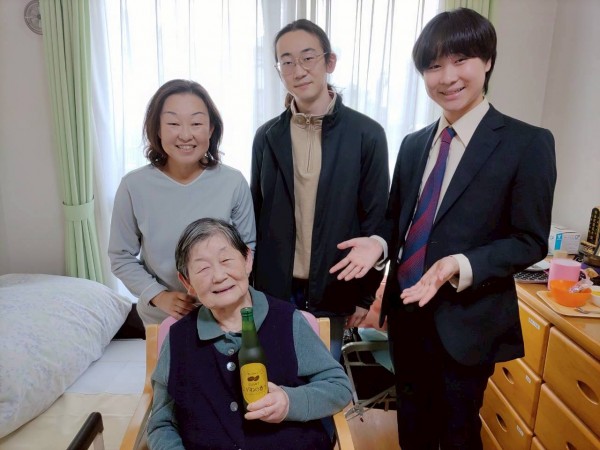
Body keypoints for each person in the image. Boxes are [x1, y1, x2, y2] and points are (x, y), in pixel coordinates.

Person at [334, 8, 557, 449]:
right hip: (407, 315)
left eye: (461, 60)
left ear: (487, 61)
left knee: (457, 433)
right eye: (434, 66)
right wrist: (378, 242)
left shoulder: (526, 143)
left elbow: (530, 240)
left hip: (467, 320)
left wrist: (459, 263)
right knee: (412, 428)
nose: (448, 77)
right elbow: (397, 220)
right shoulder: (414, 143)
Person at [250, 19, 390, 361]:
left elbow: (377, 220)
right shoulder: (267, 136)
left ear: (330, 62)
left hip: (334, 288)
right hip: (275, 290)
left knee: (323, 378)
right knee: (275, 378)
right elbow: (256, 213)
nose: (298, 70)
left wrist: (365, 296)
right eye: (286, 62)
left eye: (308, 57)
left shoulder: (367, 134)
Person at [147, 218, 352, 450]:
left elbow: (339, 387)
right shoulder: (178, 339)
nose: (219, 276)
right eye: (203, 268)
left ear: (247, 259)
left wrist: (289, 402)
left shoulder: (288, 321)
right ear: (187, 282)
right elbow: (162, 423)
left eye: (226, 260)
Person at [109, 79, 256, 326]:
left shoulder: (233, 182)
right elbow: (120, 256)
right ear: (157, 129)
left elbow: (247, 247)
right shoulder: (133, 186)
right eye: (173, 124)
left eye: (196, 123)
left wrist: (222, 291)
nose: (186, 135)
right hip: (164, 317)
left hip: (226, 314)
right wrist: (158, 296)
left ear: (211, 129)